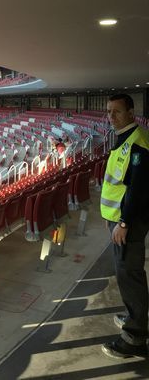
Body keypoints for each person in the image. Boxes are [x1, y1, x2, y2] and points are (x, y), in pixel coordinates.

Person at [102, 94, 149, 359]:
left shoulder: (138, 143)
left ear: (131, 113)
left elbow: (138, 190)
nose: (111, 116)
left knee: (129, 276)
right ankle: (136, 318)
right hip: (121, 221)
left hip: (127, 225)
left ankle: (135, 338)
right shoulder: (126, 138)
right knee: (128, 275)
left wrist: (123, 222)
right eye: (109, 112)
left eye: (117, 112)